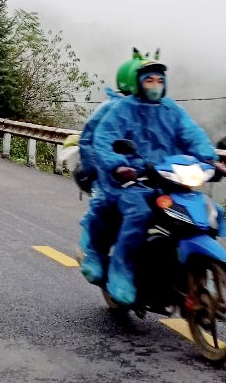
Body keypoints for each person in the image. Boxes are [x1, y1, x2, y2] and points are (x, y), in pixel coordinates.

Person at [89, 56, 218, 305]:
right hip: (137, 179)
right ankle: (121, 272)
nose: (155, 84)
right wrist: (119, 166)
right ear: (139, 83)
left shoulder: (172, 110)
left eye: (160, 79)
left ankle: (200, 269)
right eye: (149, 79)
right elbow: (104, 140)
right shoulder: (123, 109)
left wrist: (211, 159)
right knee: (137, 213)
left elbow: (193, 135)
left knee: (208, 212)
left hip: (171, 178)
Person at [77, 50, 147, 285]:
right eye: (146, 78)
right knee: (105, 208)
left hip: (144, 176)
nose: (151, 84)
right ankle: (95, 254)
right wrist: (98, 170)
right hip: (111, 176)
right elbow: (89, 141)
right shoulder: (111, 108)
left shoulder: (152, 109)